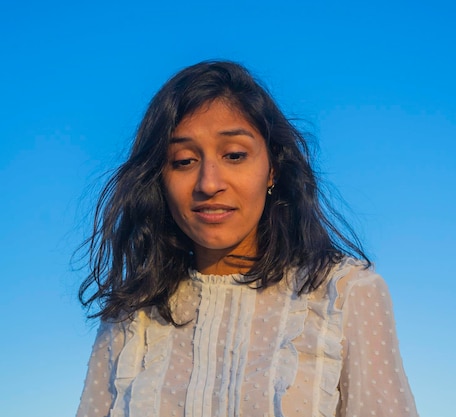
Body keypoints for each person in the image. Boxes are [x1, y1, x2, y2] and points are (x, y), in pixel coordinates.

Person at [76, 61, 418, 417]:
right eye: (184, 161)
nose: (209, 183)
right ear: (159, 181)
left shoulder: (345, 294)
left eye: (234, 155)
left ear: (272, 169)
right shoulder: (132, 317)